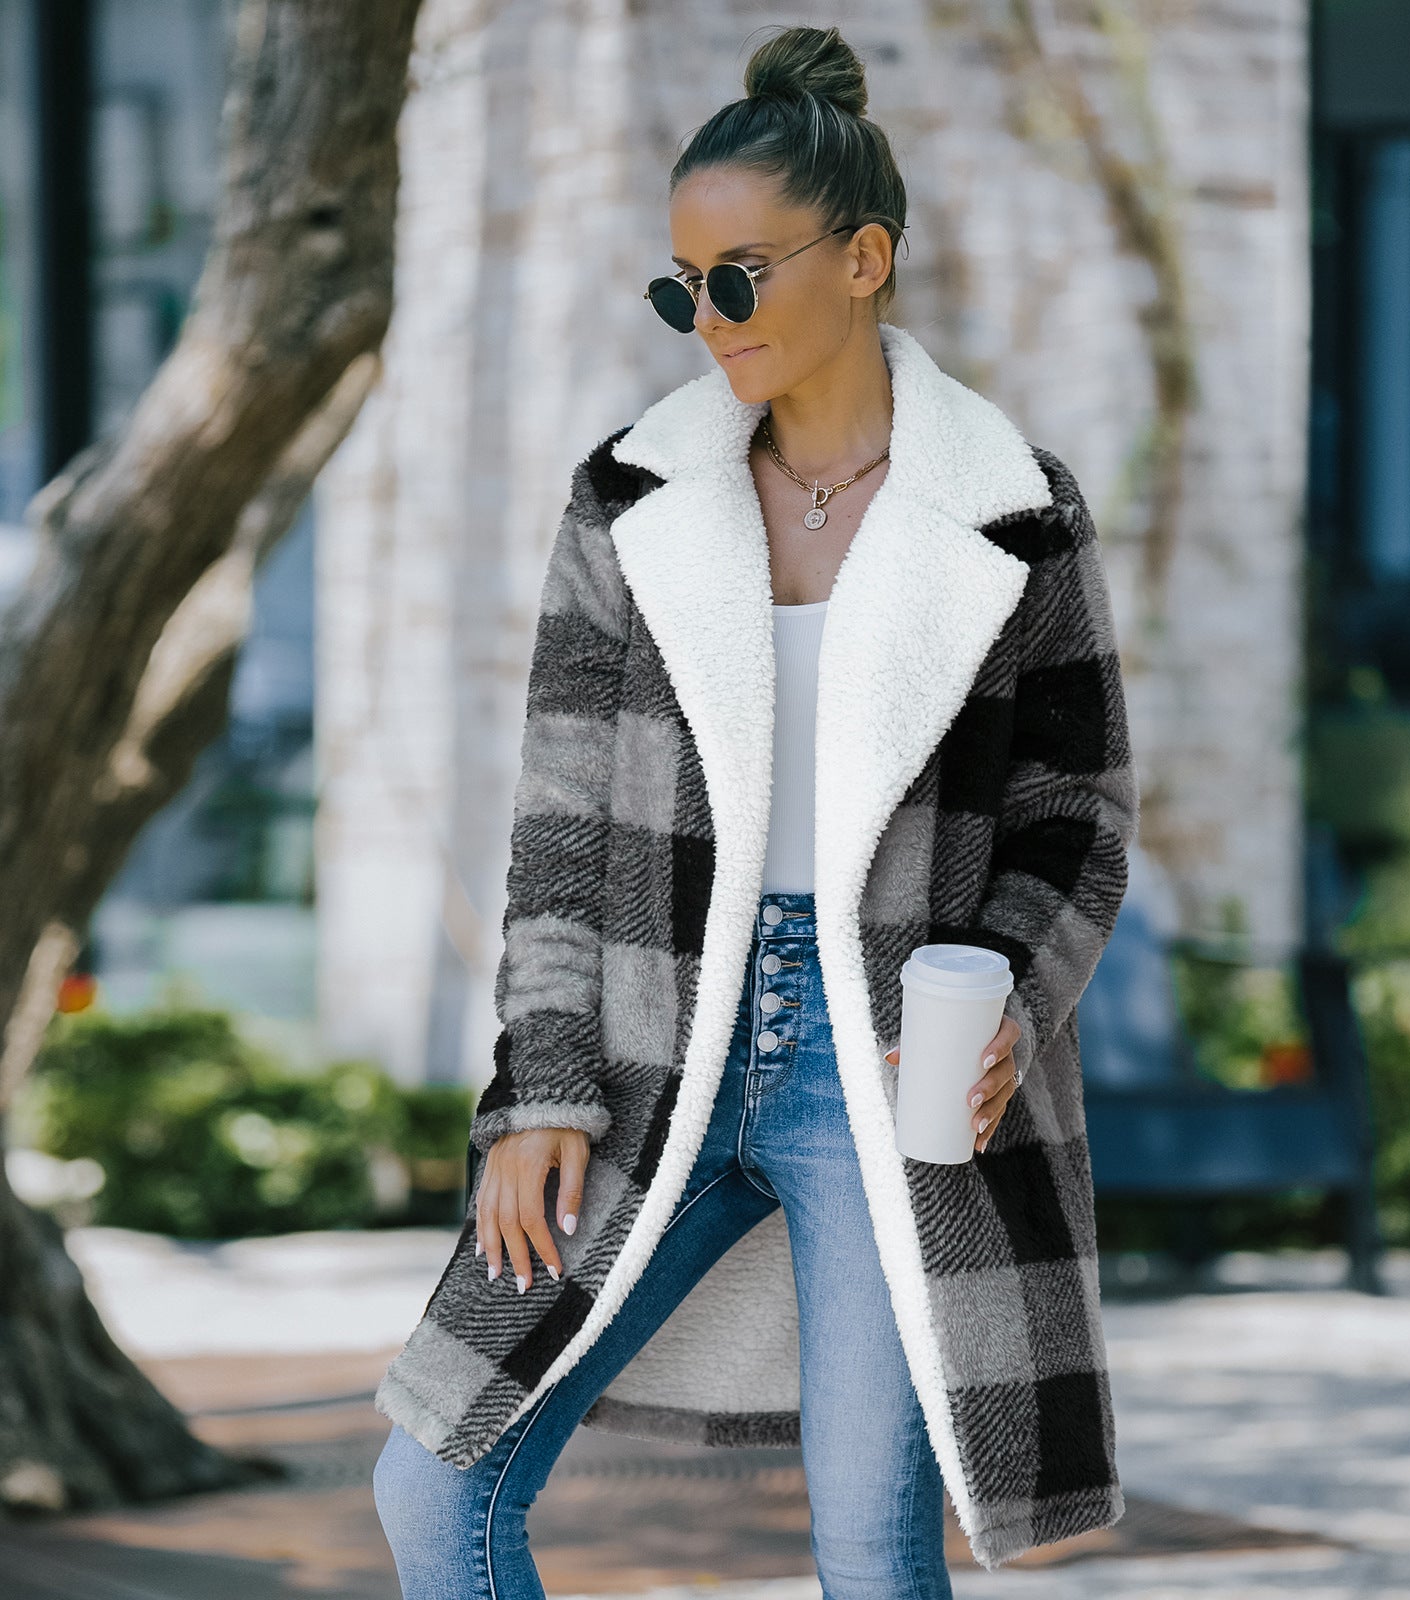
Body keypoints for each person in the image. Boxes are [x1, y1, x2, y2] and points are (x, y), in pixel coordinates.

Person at [372, 22, 1138, 1597]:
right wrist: (537, 1089)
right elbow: (562, 827)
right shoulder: (633, 499)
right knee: (434, 1479)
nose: (708, 319)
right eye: (682, 288)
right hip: (651, 1044)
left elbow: (1077, 809)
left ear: (864, 258)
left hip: (889, 1068)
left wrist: (1008, 991)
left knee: (869, 1544)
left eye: (739, 277)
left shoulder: (1012, 508)